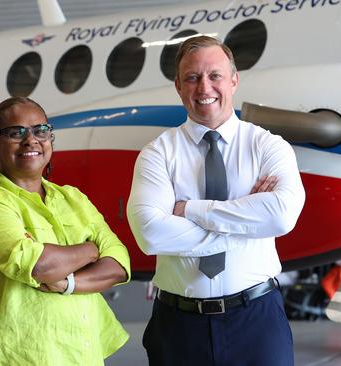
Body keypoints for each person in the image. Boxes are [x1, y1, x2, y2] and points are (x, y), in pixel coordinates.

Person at [127, 35, 305, 365]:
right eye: (192, 78)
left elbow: (280, 216)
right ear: (178, 86)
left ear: (234, 81)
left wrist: (192, 210)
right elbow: (150, 234)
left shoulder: (269, 147)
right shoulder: (157, 155)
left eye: (215, 76)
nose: (204, 88)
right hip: (178, 326)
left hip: (256, 321)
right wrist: (246, 220)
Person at [0, 97, 131, 366]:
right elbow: (39, 267)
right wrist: (90, 250)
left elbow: (119, 265)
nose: (31, 140)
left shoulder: (74, 199)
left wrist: (67, 283)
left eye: (40, 131)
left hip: (79, 354)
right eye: (16, 133)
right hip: (13, 357)